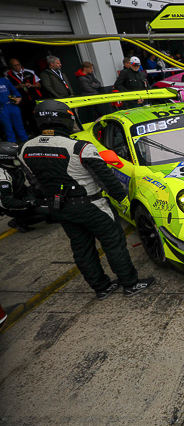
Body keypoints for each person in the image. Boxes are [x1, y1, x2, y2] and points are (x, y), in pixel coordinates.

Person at [20, 100, 154, 299]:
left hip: (59, 207)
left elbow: (35, 184)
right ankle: (130, 284)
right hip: (92, 205)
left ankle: (101, 288)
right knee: (113, 244)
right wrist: (123, 199)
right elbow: (107, 179)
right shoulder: (80, 147)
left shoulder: (24, 149)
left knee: (82, 249)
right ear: (66, 119)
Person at [0, 141, 46, 232]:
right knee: (47, 213)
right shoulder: (3, 178)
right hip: (13, 205)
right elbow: (6, 203)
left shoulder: (13, 166)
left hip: (23, 193)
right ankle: (18, 221)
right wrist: (30, 203)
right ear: (6, 159)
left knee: (46, 191)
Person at [6, 59, 42, 136]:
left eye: (18, 64)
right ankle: (30, 133)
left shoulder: (29, 72)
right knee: (25, 117)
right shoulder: (7, 76)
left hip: (33, 97)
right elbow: (6, 90)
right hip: (20, 100)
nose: (17, 67)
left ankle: (40, 131)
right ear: (11, 66)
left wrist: (31, 85)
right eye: (14, 65)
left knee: (37, 115)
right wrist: (18, 87)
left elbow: (39, 85)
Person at [0, 76, 28, 143]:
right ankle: (12, 145)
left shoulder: (4, 80)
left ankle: (25, 142)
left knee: (20, 125)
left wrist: (19, 98)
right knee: (8, 128)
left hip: (12, 104)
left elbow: (14, 90)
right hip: (2, 108)